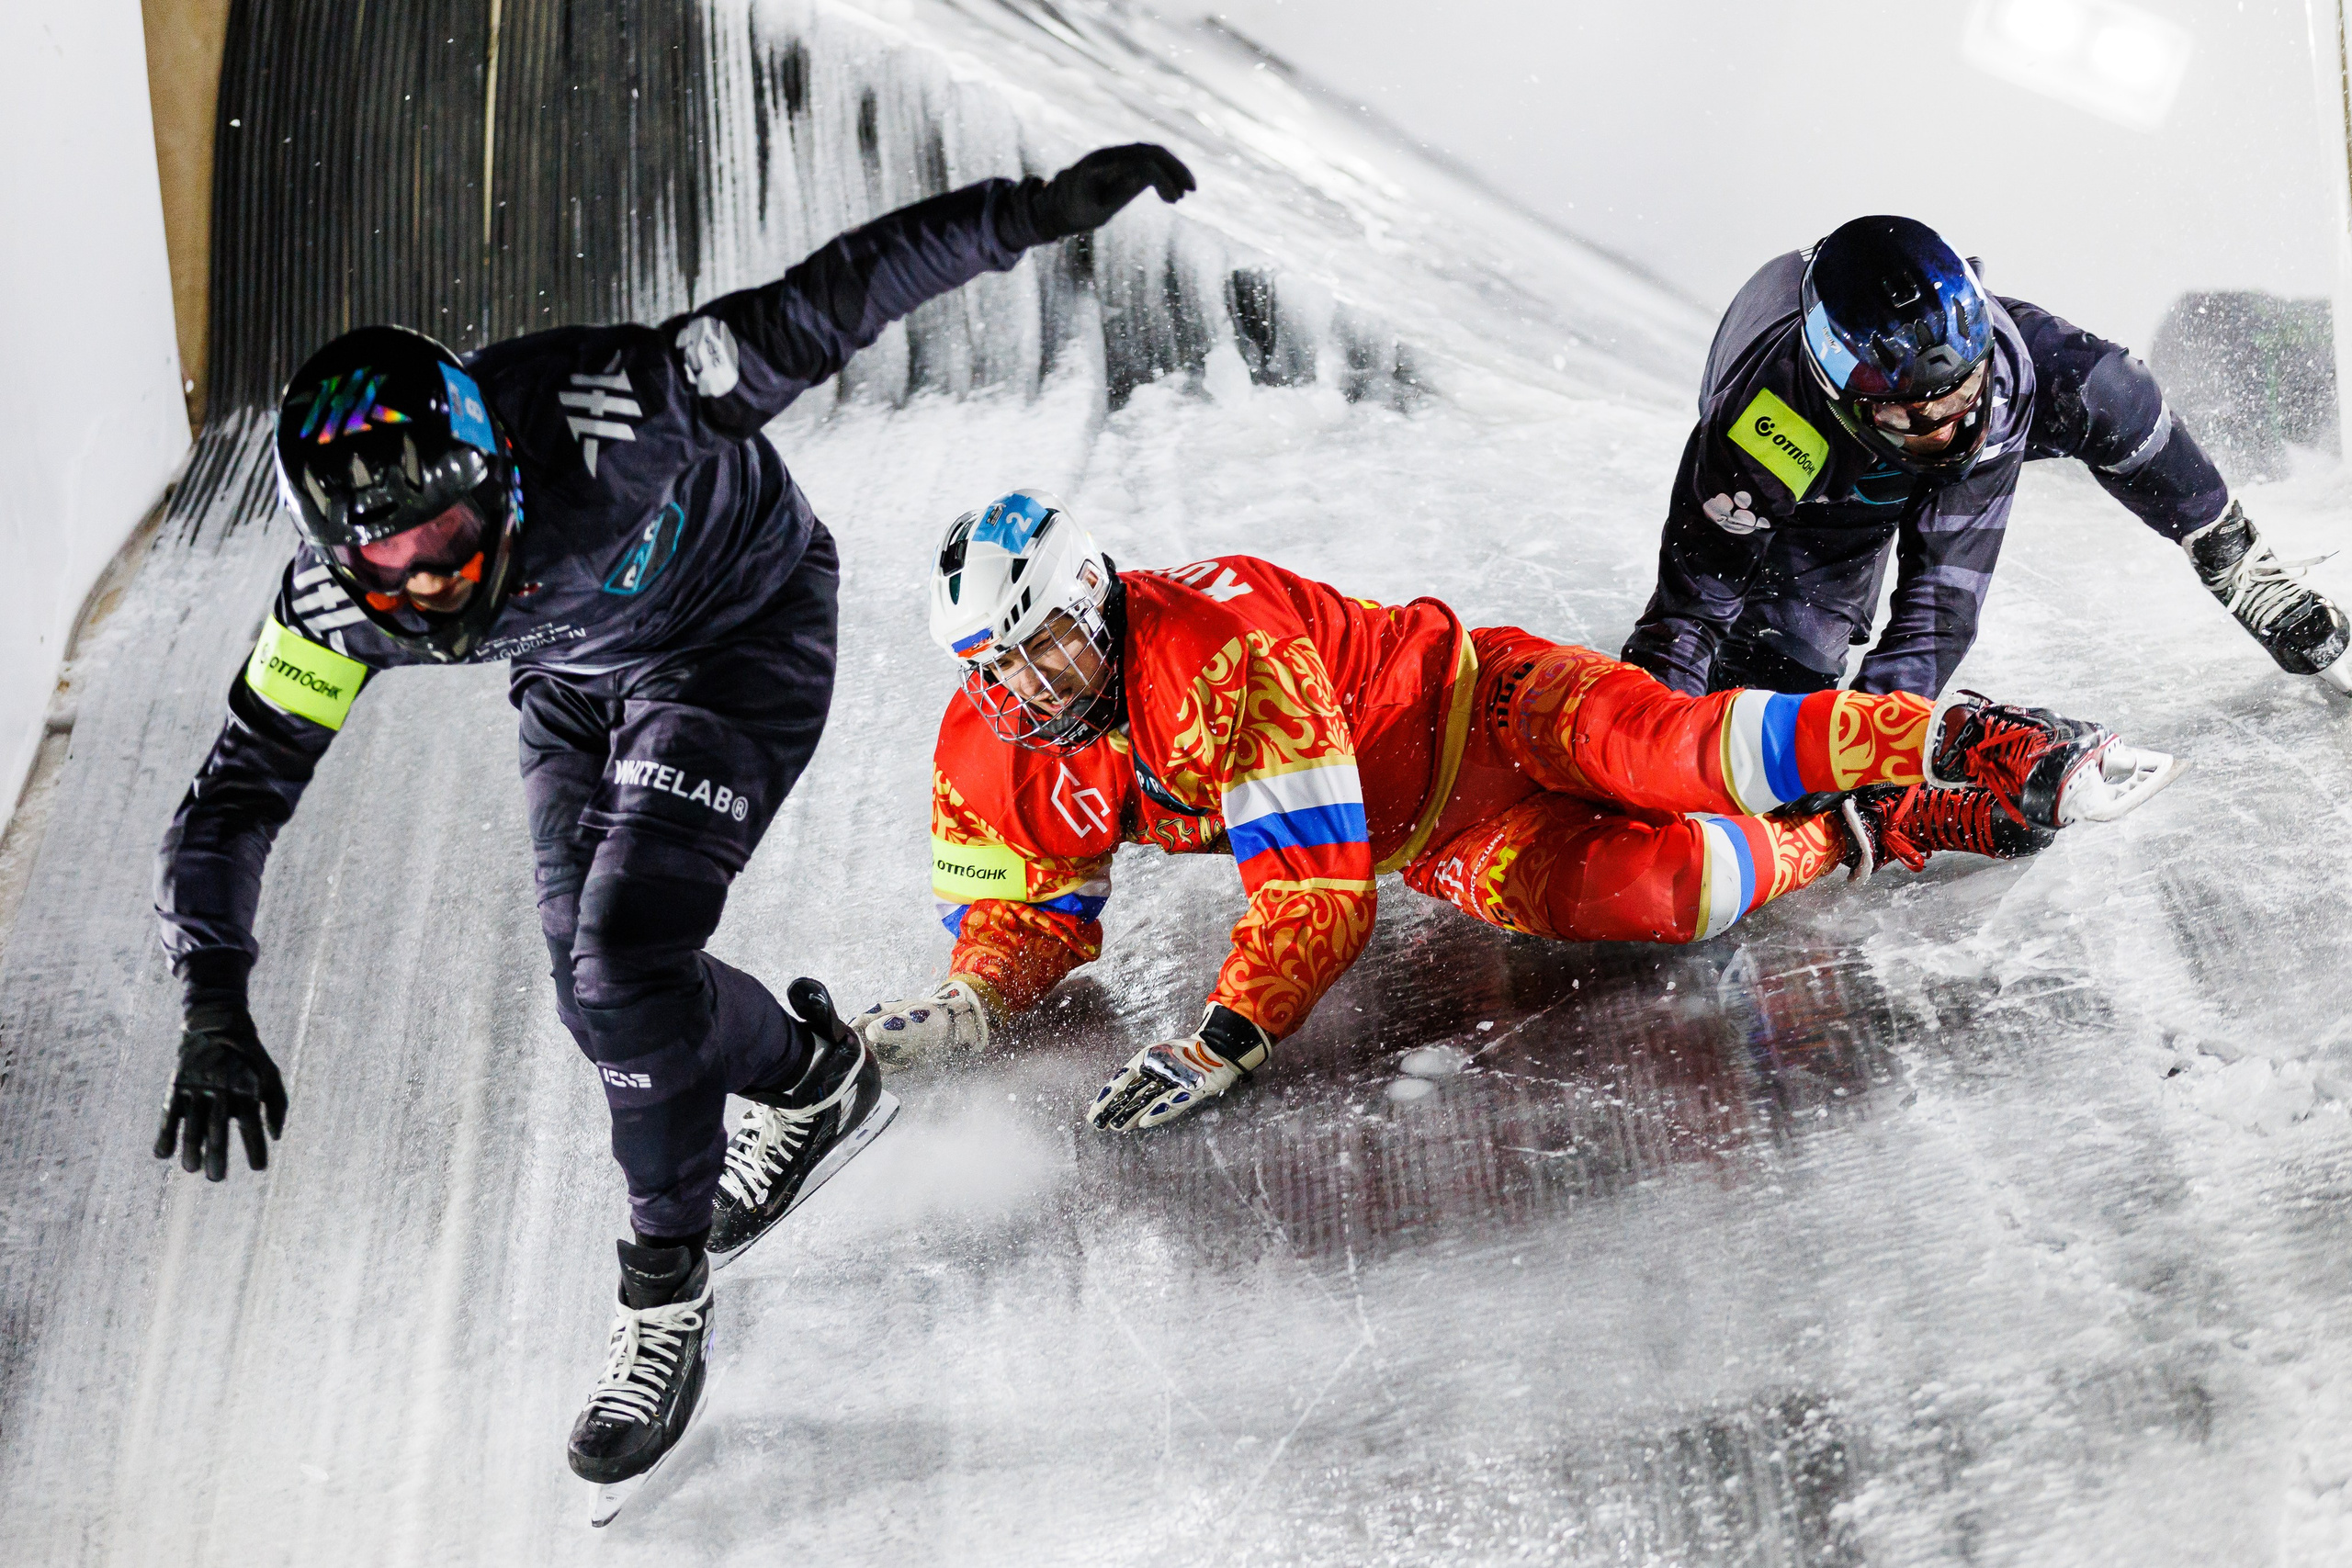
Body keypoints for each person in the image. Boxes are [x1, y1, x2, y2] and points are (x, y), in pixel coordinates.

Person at [146, 146, 1197, 1502]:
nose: (437, 572)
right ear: (336, 560)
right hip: (575, 684)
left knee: (623, 966)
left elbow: (820, 304)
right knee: (608, 1009)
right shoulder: (329, 614)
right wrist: (212, 998)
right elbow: (237, 790)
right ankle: (816, 1075)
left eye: (456, 525)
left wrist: (1025, 215)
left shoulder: (607, 417)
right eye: (394, 562)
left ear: (497, 464)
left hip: (741, 637)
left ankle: (664, 1296)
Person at [848, 490, 2182, 1130]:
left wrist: (1224, 1038)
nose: (1031, 685)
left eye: (1051, 646)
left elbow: (1313, 893)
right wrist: (976, 995)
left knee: (1679, 751)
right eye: (1001, 665)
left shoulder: (1217, 652)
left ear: (1102, 604)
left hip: (1492, 700)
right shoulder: (992, 739)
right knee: (1678, 896)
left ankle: (1971, 734)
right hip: (1447, 837)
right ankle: (1876, 825)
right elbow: (1028, 903)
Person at [1621, 214, 2352, 699]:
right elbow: (1690, 609)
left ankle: (2241, 564)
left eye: (1958, 395)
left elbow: (1939, 609)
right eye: (1918, 416)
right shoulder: (1767, 427)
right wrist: (1654, 718)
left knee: (2116, 396)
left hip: (1909, 417)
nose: (1946, 432)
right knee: (1776, 669)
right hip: (1826, 485)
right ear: (1844, 399)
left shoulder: (2002, 380)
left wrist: (1874, 744)